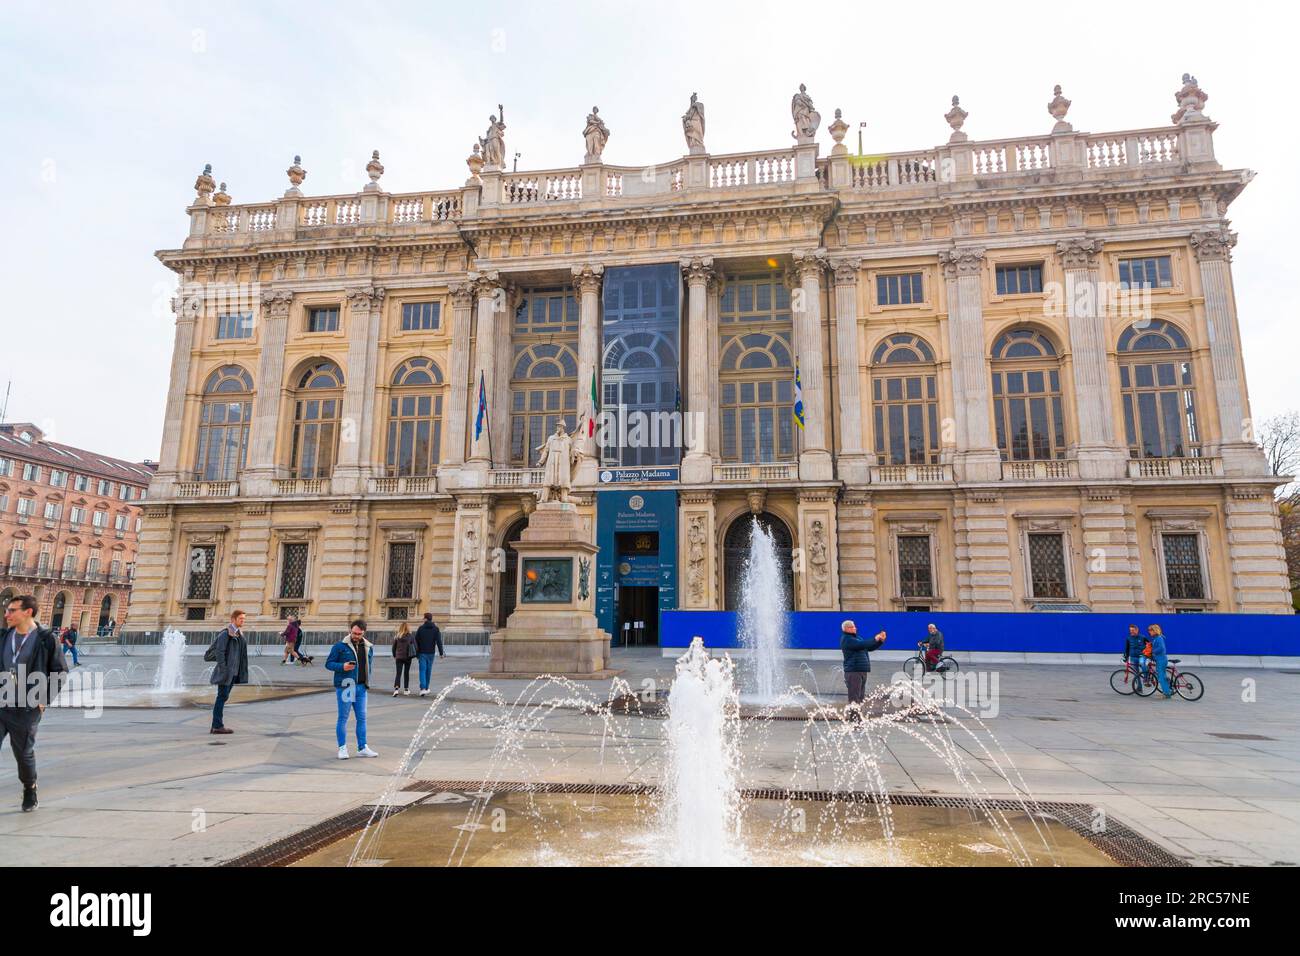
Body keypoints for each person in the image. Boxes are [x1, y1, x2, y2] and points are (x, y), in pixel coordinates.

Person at [1, 595, 67, 811]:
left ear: (27, 612)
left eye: (12, 610)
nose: (6, 614)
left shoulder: (46, 639)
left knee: (23, 753)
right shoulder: (4, 636)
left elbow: (60, 671)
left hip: (27, 705)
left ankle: (30, 788)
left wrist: (44, 699)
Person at [327, 619, 378, 759]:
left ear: (364, 632)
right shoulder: (340, 646)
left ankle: (362, 747)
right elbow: (329, 664)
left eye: (359, 634)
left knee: (362, 718)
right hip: (346, 686)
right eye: (354, 633)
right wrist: (342, 667)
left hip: (361, 687)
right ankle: (342, 748)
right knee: (343, 718)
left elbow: (369, 666)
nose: (356, 636)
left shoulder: (368, 647)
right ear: (350, 630)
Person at [209, 610, 249, 735]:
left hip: (234, 672)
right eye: (241, 619)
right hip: (226, 673)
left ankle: (216, 725)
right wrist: (224, 670)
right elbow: (220, 653)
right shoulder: (226, 634)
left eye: (243, 619)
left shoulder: (238, 634)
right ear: (233, 619)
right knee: (221, 697)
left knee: (223, 697)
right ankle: (217, 726)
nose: (243, 621)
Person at [840, 619, 886, 712]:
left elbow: (869, 647)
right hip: (853, 672)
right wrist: (875, 638)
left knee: (860, 697)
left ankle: (858, 721)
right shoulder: (847, 639)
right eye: (853, 626)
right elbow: (862, 644)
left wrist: (880, 641)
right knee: (854, 698)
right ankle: (854, 721)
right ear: (846, 629)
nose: (855, 628)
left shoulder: (857, 638)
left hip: (861, 671)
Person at [414, 612, 444, 697]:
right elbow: (439, 641)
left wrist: (417, 653)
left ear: (425, 619)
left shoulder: (420, 628)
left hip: (422, 652)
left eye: (424, 618)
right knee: (428, 670)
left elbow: (416, 641)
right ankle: (426, 688)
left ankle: (423, 688)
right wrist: (441, 653)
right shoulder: (436, 629)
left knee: (422, 670)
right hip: (431, 653)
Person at [1146, 623, 1173, 700]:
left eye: (1150, 630)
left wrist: (1153, 652)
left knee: (1161, 678)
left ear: (1154, 631)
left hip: (1161, 660)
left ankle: (1167, 693)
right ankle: (1168, 688)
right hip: (1159, 659)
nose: (1149, 632)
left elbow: (1161, 648)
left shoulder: (1159, 638)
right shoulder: (1156, 638)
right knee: (1162, 676)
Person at [391, 622, 416, 697]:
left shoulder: (397, 636)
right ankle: (406, 689)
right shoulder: (411, 636)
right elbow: (415, 646)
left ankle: (396, 690)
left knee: (398, 673)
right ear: (408, 628)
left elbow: (393, 647)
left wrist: (394, 655)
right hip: (408, 657)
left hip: (399, 657)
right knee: (406, 673)